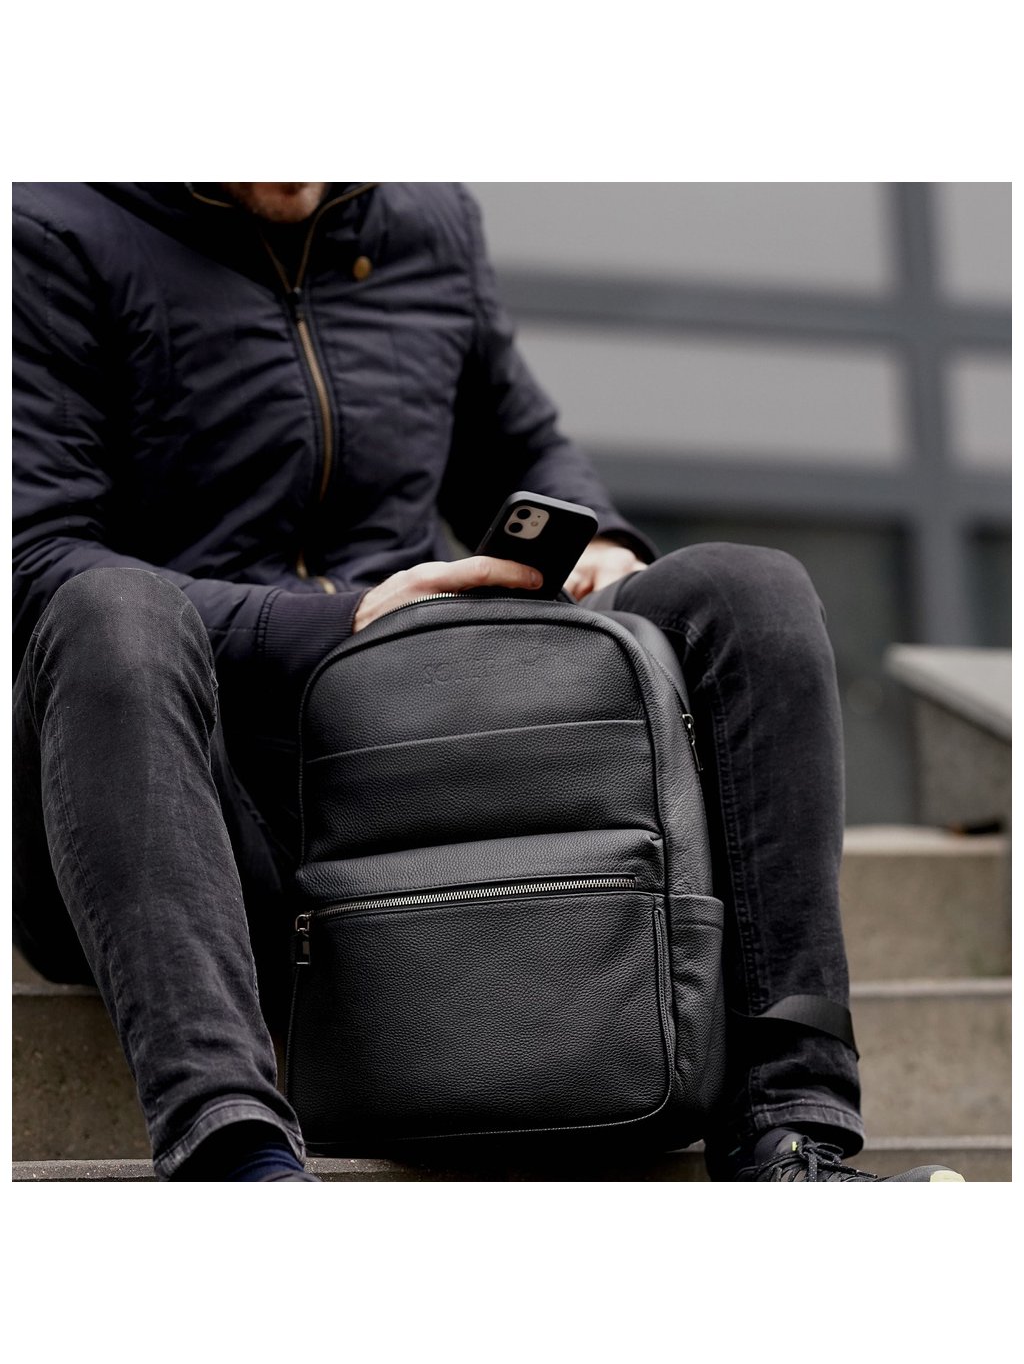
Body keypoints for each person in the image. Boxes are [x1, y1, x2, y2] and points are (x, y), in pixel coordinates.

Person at [12, 181, 963, 1183]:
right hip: (168, 810)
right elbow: (35, 560)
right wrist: (336, 622)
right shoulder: (54, 231)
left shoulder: (428, 226)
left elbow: (518, 447)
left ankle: (789, 1129)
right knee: (104, 607)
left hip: (389, 789)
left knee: (749, 592)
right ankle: (233, 1154)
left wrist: (596, 537)